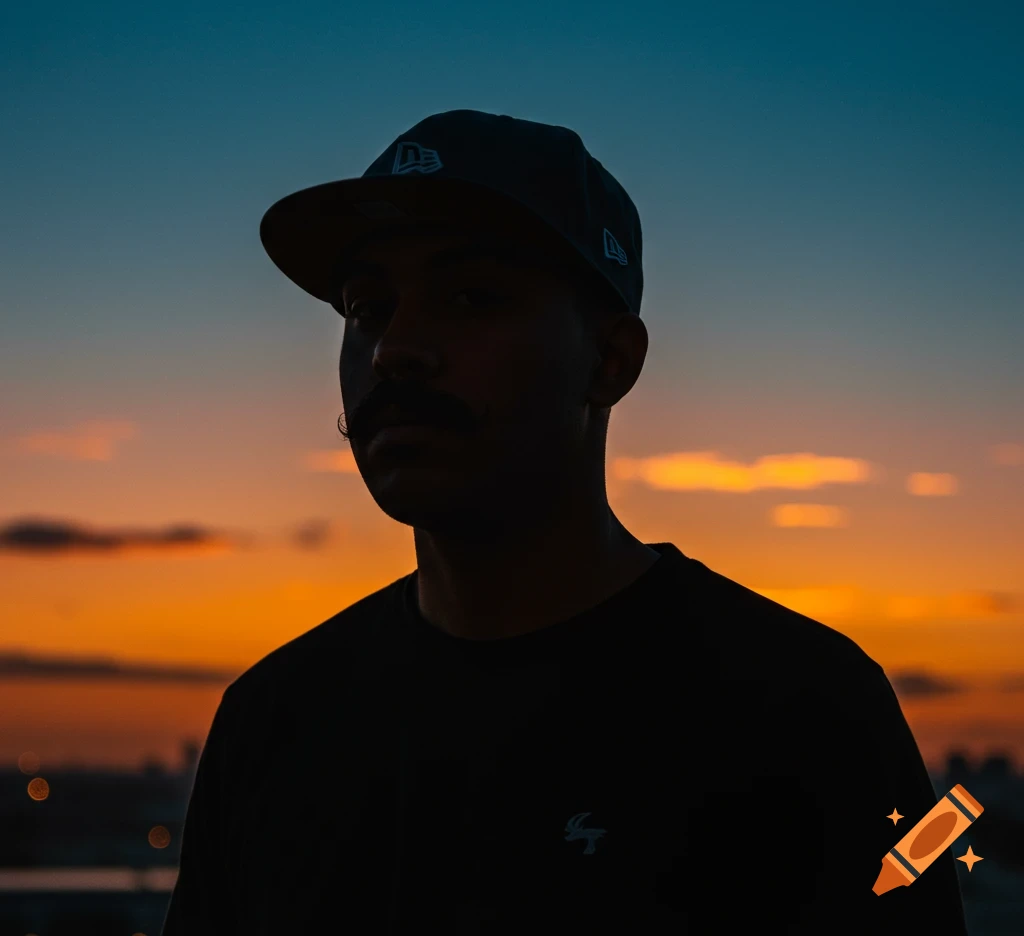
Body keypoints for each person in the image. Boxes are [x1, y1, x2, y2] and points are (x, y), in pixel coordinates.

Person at [161, 110, 969, 934]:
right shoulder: (274, 723)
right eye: (368, 307)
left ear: (610, 362)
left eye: (471, 297)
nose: (393, 349)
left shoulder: (804, 712)